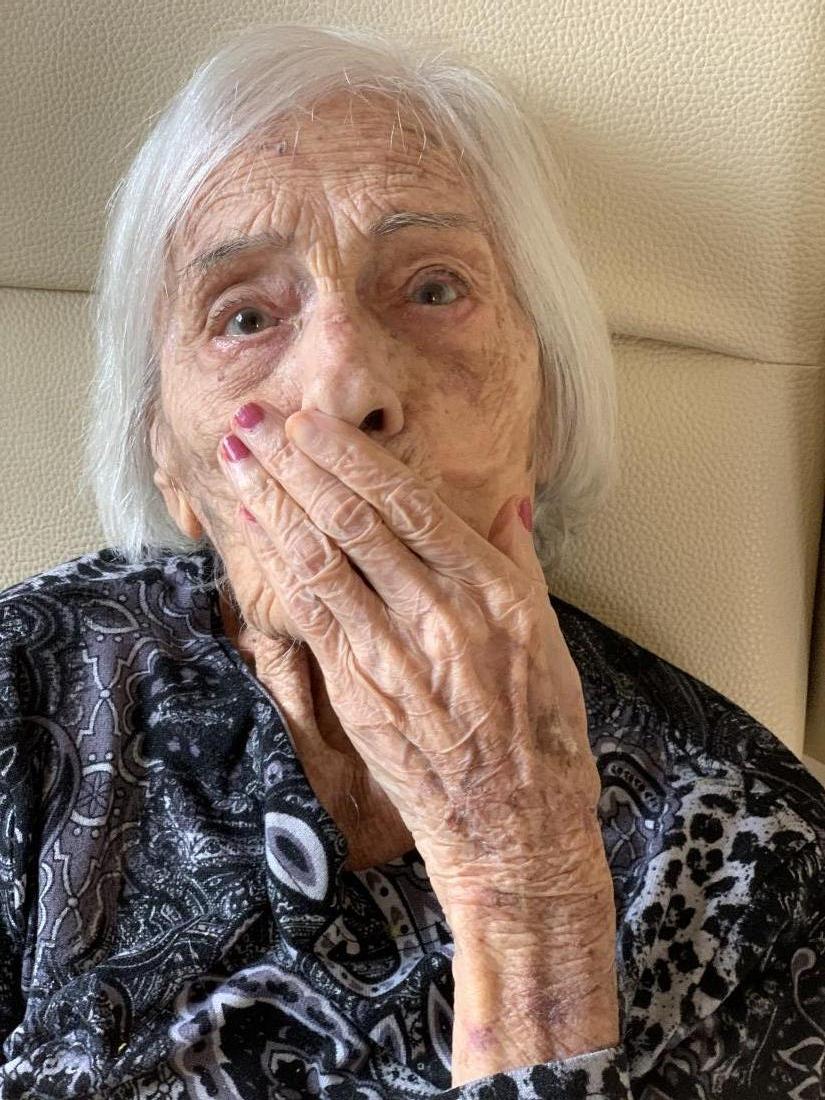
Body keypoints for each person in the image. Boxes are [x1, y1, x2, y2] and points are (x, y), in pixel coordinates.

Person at [0, 21, 822, 1100]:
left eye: (434, 289)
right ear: (170, 459)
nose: (345, 387)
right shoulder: (26, 692)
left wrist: (527, 891)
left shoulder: (759, 864)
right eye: (244, 315)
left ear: (545, 407)